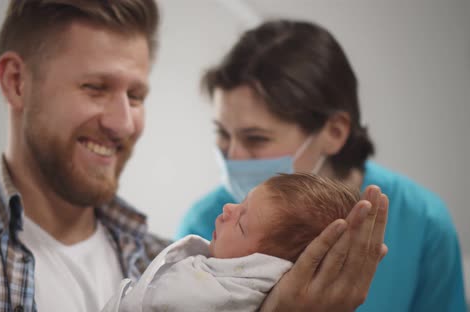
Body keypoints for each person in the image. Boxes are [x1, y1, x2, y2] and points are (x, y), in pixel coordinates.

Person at [0, 2, 388, 311]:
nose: (123, 123)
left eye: (137, 96)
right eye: (96, 87)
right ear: (17, 82)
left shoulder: (179, 264)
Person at [177, 19, 467, 311]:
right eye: (223, 134)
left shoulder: (423, 224)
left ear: (334, 132)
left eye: (256, 139)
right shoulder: (206, 226)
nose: (233, 156)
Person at [103, 173, 367, 312]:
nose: (228, 208)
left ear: (258, 265)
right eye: (242, 202)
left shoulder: (216, 297)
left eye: (241, 224)